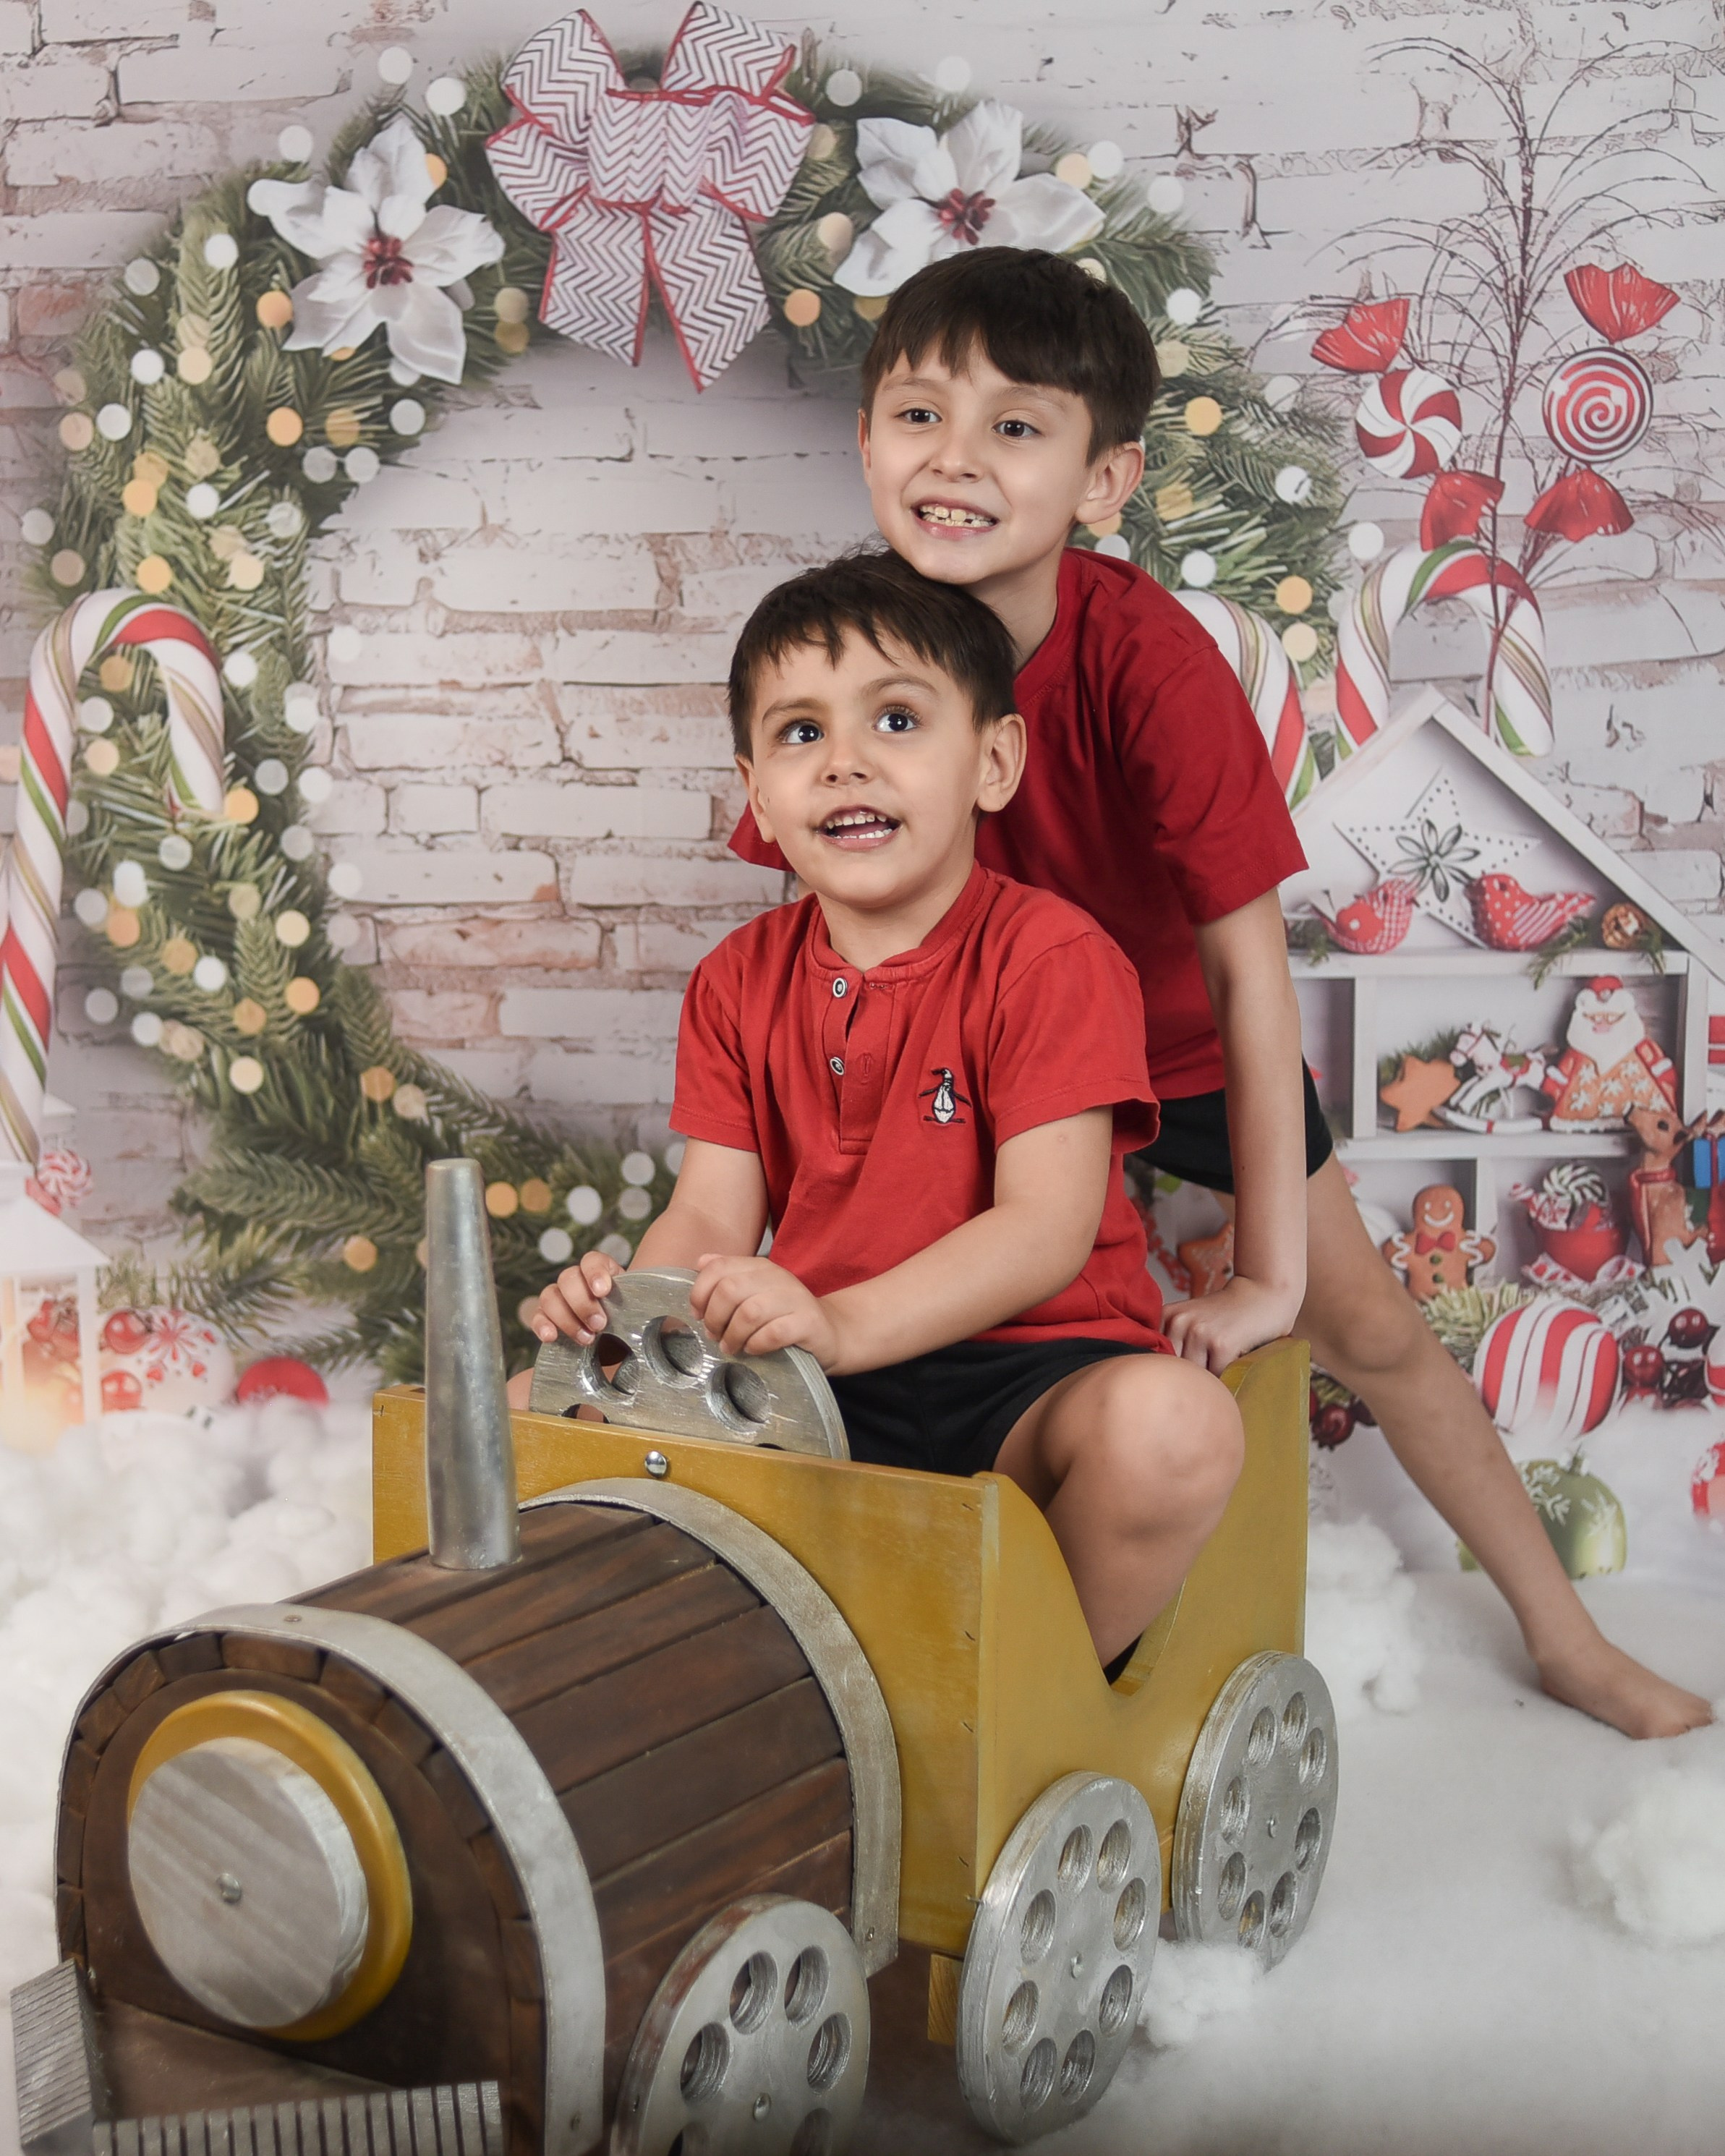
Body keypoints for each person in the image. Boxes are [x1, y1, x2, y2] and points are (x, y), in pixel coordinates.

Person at [727, 247, 1708, 1742]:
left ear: (1101, 477)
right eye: (918, 416)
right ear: (866, 441)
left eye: (1013, 427)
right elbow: (821, 919)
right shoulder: (855, 654)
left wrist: (1262, 1269)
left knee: (1365, 1323)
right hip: (979, 1059)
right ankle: (930, 1635)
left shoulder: (1144, 668)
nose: (953, 460)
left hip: (1179, 1043)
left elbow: (1254, 981)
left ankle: (1559, 1633)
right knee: (933, 1330)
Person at [518, 552, 1245, 1674]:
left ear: (990, 760)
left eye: (895, 719)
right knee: (528, 1405)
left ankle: (1024, 1703)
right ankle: (680, 1685)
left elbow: (1043, 1232)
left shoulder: (1051, 957)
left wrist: (844, 1321)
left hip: (1028, 1378)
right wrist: (628, 1316)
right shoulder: (737, 978)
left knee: (1174, 1426)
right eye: (800, 734)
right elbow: (710, 1209)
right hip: (813, 1376)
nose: (845, 761)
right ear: (758, 794)